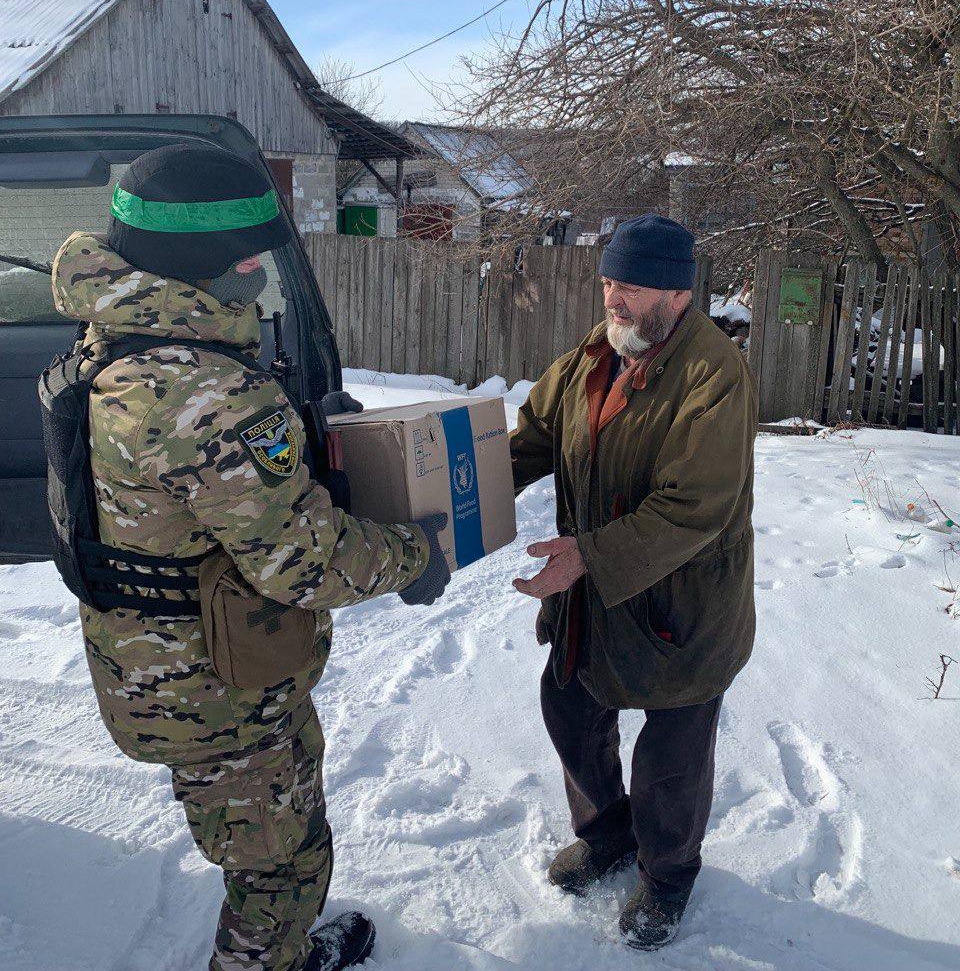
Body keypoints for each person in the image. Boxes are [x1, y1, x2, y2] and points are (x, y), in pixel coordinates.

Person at [48, 144, 451, 971]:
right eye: (242, 257)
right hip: (221, 690)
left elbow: (185, 496)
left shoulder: (115, 342)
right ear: (197, 264)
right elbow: (304, 565)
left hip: (151, 664)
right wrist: (417, 552)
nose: (255, 276)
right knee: (281, 868)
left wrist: (301, 434)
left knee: (257, 845)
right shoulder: (206, 391)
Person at [510, 214, 757, 950]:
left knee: (671, 765)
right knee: (569, 709)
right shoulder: (595, 353)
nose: (613, 299)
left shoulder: (717, 377)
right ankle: (607, 835)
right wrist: (453, 483)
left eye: (632, 286)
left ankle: (668, 876)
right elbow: (532, 437)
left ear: (679, 294)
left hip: (683, 606)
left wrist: (586, 555)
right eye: (609, 281)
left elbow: (692, 508)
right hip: (596, 598)